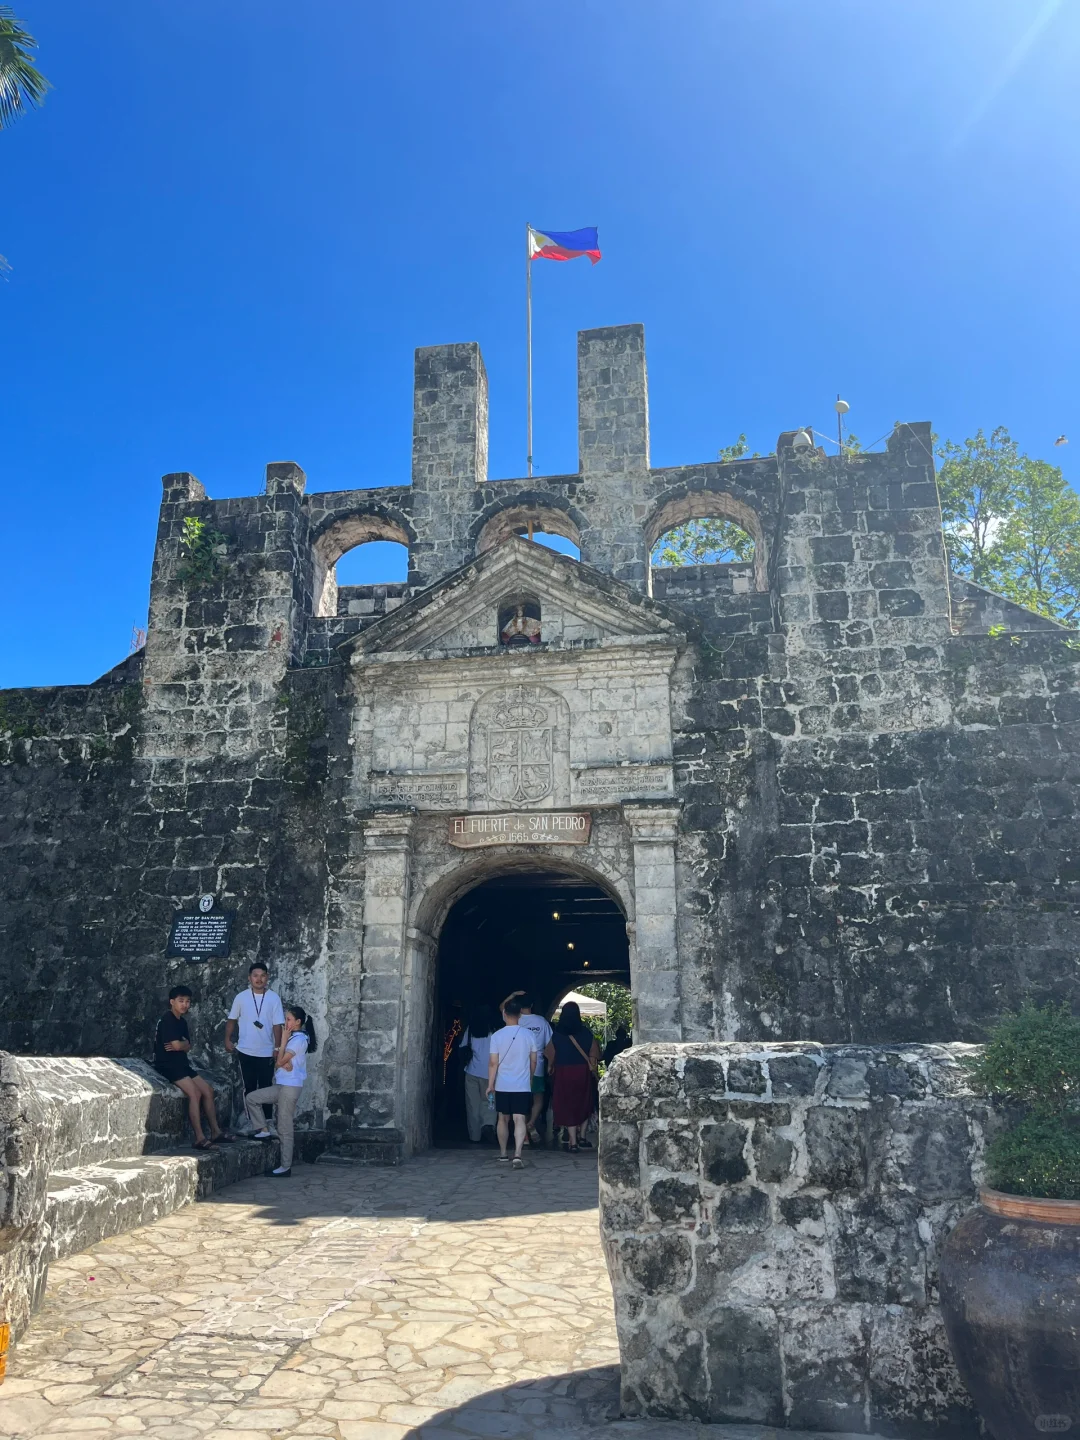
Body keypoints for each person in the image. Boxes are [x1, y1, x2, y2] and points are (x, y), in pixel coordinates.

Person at [154, 985, 234, 1150]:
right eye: (181, 1001)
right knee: (195, 1093)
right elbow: (176, 1045)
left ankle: (216, 1132)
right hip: (168, 1065)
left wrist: (182, 1045)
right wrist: (181, 1045)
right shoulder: (168, 1019)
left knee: (208, 1091)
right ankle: (199, 1137)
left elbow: (186, 1045)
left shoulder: (181, 1021)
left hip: (182, 1063)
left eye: (187, 1001)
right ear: (172, 1002)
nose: (185, 1004)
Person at [245, 1003, 317, 1177]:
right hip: (282, 1085)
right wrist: (282, 1057)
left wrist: (283, 1044)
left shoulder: (299, 1040)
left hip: (290, 1087)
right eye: (286, 1019)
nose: (286, 1022)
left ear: (298, 1022)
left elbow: (278, 1062)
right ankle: (262, 1130)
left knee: (284, 1127)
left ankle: (285, 1166)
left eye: (289, 1019)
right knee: (252, 1098)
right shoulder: (295, 1038)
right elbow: (281, 1060)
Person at [225, 963, 285, 1127]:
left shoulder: (273, 998)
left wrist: (277, 1048)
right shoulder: (241, 997)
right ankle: (251, 1122)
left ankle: (267, 1122)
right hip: (245, 1050)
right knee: (249, 1087)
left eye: (262, 975)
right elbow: (232, 1019)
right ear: (249, 978)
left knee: (266, 1087)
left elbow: (277, 1025)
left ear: (267, 977)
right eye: (255, 975)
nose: (259, 979)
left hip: (266, 1052)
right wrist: (227, 1039)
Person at [486, 997, 537, 1169]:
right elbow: (534, 1061)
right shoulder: (529, 1035)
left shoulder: (497, 1036)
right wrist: (529, 1077)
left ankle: (502, 1153)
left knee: (502, 1118)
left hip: (502, 1084)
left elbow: (493, 1063)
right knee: (519, 1118)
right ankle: (517, 1154)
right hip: (521, 1085)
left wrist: (490, 1084)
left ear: (504, 1014)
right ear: (520, 1015)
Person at [545, 1000, 600, 1153]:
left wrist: (550, 1068)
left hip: (563, 1072)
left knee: (568, 1105)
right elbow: (594, 1054)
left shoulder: (556, 1035)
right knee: (584, 1103)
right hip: (582, 1072)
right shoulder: (586, 1033)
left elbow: (550, 1055)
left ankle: (573, 1142)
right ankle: (582, 1136)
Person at [502, 990, 553, 1146]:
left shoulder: (514, 1019)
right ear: (532, 1005)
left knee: (521, 1101)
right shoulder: (542, 1022)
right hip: (537, 1066)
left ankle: (523, 1134)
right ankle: (530, 1123)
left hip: (517, 1067)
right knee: (538, 1099)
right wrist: (550, 1064)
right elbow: (550, 1045)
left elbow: (502, 1008)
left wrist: (511, 995)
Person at [460, 1003, 499, 1144]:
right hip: (491, 1074)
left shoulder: (470, 1030)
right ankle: (488, 1125)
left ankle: (474, 1136)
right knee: (489, 1103)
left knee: (472, 1105)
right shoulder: (495, 1031)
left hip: (472, 1072)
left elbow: (463, 1047)